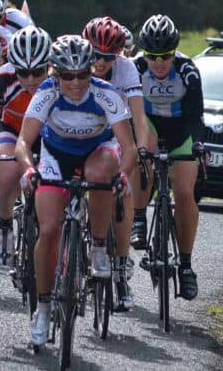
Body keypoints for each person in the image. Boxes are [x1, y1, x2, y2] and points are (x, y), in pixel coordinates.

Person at [15, 35, 136, 347]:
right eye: (67, 76)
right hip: (57, 155)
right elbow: (24, 143)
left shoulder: (105, 93)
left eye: (83, 74)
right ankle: (42, 308)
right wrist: (29, 169)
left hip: (98, 150)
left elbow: (129, 147)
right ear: (55, 73)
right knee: (50, 229)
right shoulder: (46, 92)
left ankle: (98, 247)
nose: (76, 82)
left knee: (99, 174)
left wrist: (122, 176)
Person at [131, 14, 204, 301]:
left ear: (174, 52)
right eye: (152, 56)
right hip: (148, 124)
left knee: (185, 193)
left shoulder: (188, 71)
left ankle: (185, 265)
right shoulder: (136, 68)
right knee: (144, 151)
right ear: (144, 54)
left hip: (180, 132)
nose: (159, 63)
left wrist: (197, 144)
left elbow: (197, 117)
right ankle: (139, 217)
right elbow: (130, 112)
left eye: (165, 56)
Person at [82, 16, 148, 311]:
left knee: (123, 192)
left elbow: (139, 116)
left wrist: (143, 148)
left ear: (118, 55)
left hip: (113, 136)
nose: (99, 62)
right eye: (95, 55)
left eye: (107, 57)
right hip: (81, 134)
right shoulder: (76, 60)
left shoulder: (126, 69)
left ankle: (121, 269)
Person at [0, 25, 52, 265]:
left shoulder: (59, 80)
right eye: (23, 72)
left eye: (38, 71)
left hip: (46, 135)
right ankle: (4, 224)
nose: (30, 79)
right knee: (9, 170)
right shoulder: (1, 78)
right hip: (10, 130)